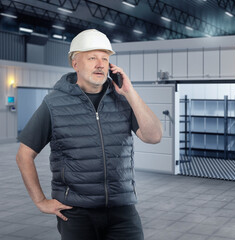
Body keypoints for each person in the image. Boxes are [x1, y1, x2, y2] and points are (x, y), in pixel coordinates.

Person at [16, 29, 162, 240]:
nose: (100, 64)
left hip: (123, 210)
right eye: (92, 57)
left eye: (105, 58)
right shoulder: (54, 104)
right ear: (75, 64)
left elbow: (154, 136)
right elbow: (24, 155)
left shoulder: (123, 100)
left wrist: (130, 93)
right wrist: (40, 201)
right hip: (76, 213)